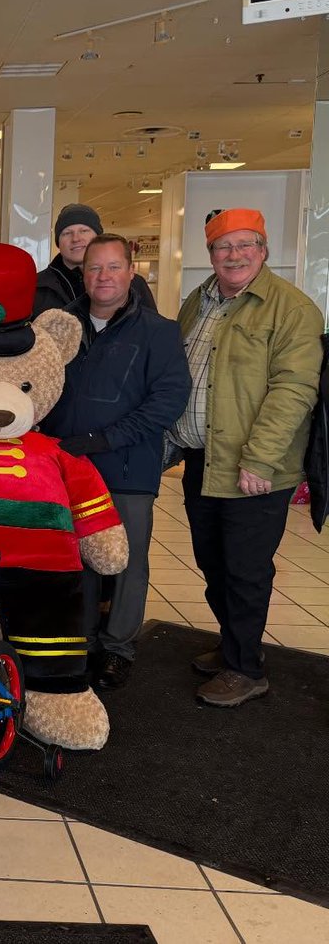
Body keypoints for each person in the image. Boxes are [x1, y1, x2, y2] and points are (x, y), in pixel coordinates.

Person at [170, 209, 322, 707]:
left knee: (246, 568)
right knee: (212, 561)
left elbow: (293, 389)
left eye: (244, 245)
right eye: (222, 247)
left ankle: (245, 668)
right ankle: (234, 643)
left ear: (263, 250)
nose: (233, 255)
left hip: (253, 469)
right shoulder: (200, 300)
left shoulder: (291, 309)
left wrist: (259, 459)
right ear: (210, 253)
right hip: (203, 459)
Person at [40, 234, 191, 690]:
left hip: (127, 468)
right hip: (66, 466)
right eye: (94, 268)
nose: (103, 277)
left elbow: (168, 400)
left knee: (127, 562)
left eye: (113, 267)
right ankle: (80, 641)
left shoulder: (158, 332)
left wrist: (104, 439)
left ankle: (118, 647)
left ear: (131, 272)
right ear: (82, 274)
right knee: (75, 557)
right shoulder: (58, 328)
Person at [34, 204, 156, 316]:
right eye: (67, 233)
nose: (76, 238)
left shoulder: (133, 283)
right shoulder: (36, 286)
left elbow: (152, 329)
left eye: (84, 231)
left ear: (98, 237)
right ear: (58, 242)